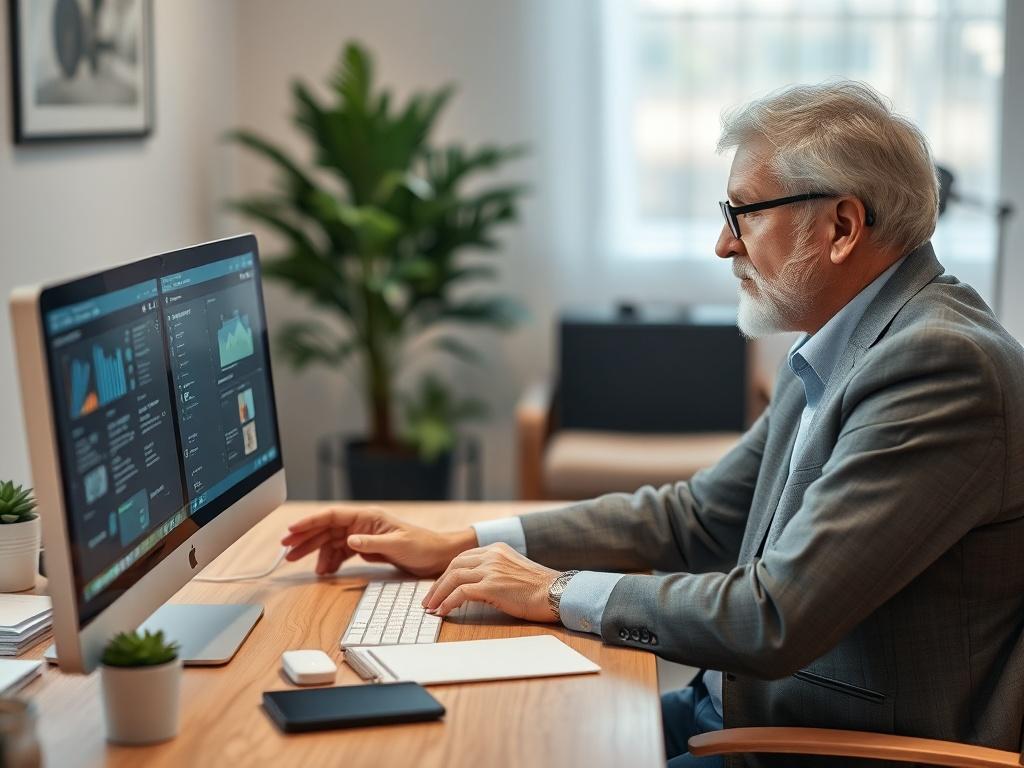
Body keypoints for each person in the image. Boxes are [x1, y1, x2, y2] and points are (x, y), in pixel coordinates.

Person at [282, 81, 1024, 768]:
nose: (724, 245)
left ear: (841, 225)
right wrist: (469, 540)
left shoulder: (938, 366)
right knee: (508, 738)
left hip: (827, 747)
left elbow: (774, 616)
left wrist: (554, 589)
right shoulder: (851, 338)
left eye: (742, 214)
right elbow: (697, 517)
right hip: (745, 709)